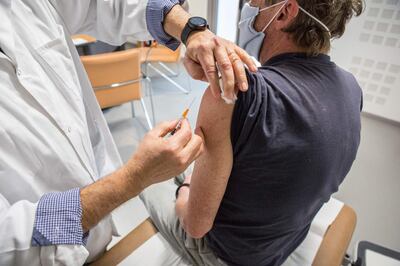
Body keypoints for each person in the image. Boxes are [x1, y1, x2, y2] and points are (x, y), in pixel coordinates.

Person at [0, 0, 258, 265]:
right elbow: (8, 241)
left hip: (96, 232)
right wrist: (133, 178)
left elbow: (103, 6)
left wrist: (191, 30)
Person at [140, 0, 364, 265]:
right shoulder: (351, 87)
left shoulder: (234, 94)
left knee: (147, 176)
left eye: (253, 2)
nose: (247, 8)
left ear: (284, 12)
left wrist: (186, 187)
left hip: (228, 255)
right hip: (284, 242)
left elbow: (195, 225)